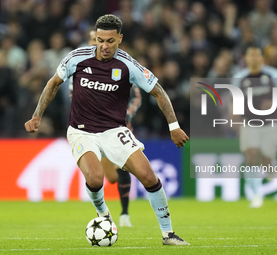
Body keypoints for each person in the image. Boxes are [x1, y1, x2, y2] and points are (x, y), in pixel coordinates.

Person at [25, 14, 190, 245]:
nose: (104, 46)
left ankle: (168, 233)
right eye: (100, 40)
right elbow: (53, 83)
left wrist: (174, 127)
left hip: (114, 130)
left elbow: (158, 91)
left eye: (110, 41)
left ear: (120, 39)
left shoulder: (127, 64)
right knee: (95, 177)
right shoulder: (76, 58)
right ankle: (104, 215)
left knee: (148, 176)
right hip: (81, 131)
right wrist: (36, 115)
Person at [69, 28, 141, 227]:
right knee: (106, 177)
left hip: (117, 126)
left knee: (122, 167)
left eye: (100, 40)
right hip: (88, 129)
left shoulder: (121, 65)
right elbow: (73, 96)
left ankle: (125, 213)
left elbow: (137, 95)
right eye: (94, 40)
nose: (98, 45)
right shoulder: (80, 65)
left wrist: (126, 114)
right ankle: (102, 211)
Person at [231, 47, 277, 208]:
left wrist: (274, 103)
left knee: (266, 159)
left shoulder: (273, 74)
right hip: (249, 123)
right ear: (246, 59)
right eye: (250, 56)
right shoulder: (239, 77)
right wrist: (234, 116)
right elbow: (234, 99)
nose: (254, 59)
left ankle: (271, 165)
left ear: (262, 58)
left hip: (270, 124)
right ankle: (256, 195)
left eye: (257, 56)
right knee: (250, 156)